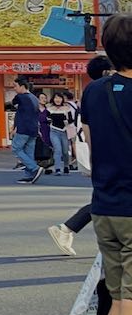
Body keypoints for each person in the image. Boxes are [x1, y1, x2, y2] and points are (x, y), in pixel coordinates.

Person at [80, 14, 132, 315]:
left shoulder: (93, 91)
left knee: (117, 299)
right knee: (129, 303)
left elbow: (92, 145)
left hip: (105, 205)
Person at [49, 56, 113, 256]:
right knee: (110, 198)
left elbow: (86, 128)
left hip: (105, 154)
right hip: (113, 154)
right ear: (106, 72)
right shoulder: (107, 91)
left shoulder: (91, 93)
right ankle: (66, 228)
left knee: (109, 198)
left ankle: (67, 228)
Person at [11, 79, 45, 184]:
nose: (14, 88)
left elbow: (14, 105)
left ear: (22, 86)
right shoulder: (34, 98)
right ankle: (29, 175)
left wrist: (15, 127)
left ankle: (34, 168)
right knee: (29, 152)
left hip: (23, 127)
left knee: (16, 148)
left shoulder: (20, 97)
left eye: (15, 86)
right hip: (33, 128)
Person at [47, 92, 73, 176]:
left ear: (62, 99)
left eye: (59, 98)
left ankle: (66, 166)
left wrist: (66, 122)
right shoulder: (49, 108)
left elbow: (71, 120)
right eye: (56, 98)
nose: (57, 100)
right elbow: (47, 119)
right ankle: (57, 168)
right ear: (53, 99)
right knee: (57, 150)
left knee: (65, 151)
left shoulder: (67, 108)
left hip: (64, 131)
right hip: (54, 131)